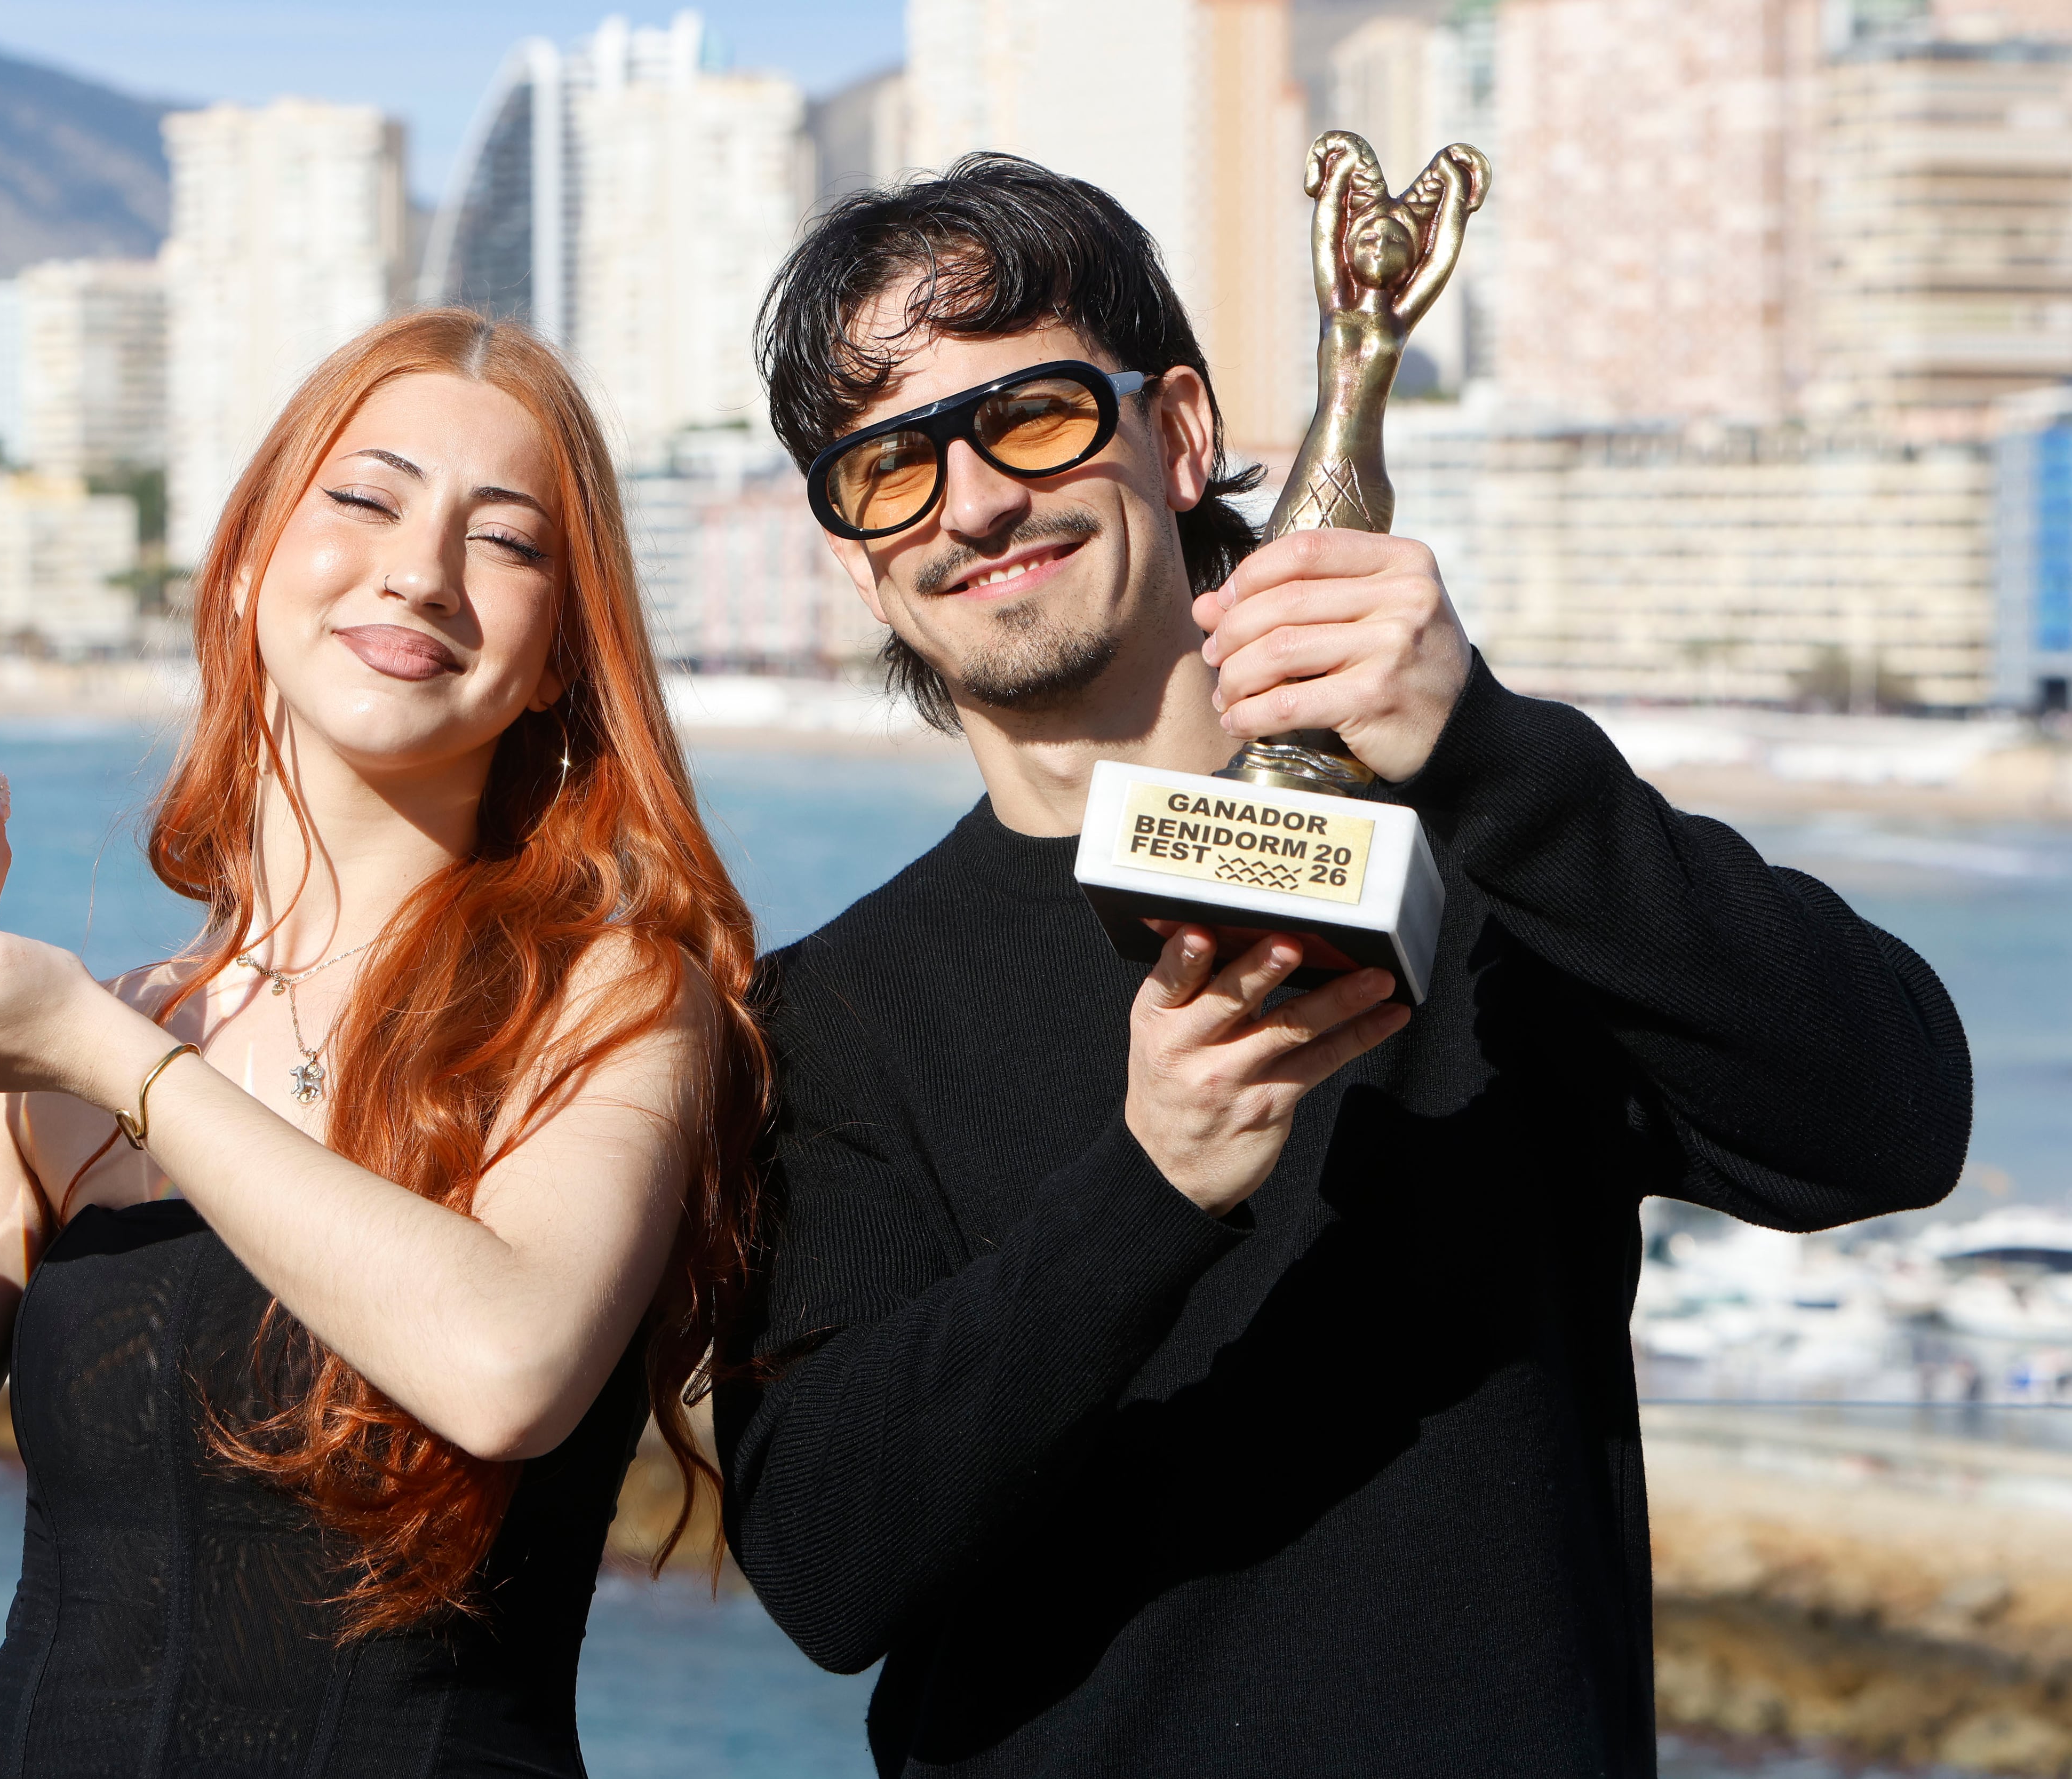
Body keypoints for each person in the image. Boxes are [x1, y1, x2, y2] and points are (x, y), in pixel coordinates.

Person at [716, 153, 1969, 1776]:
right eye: (887, 468)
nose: (970, 505)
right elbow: (826, 1564)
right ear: (850, 552)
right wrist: (1152, 1188)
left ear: (1176, 435)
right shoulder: (835, 1015)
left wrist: (1491, 753)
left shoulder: (1490, 851)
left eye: (1028, 418)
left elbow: (1885, 1120)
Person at [0, 308, 766, 1778]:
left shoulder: (615, 1001)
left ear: (555, 666)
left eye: (505, 541)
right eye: (366, 497)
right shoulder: (72, 1049)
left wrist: (108, 1059)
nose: (420, 568)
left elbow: (506, 1365)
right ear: (254, 559)